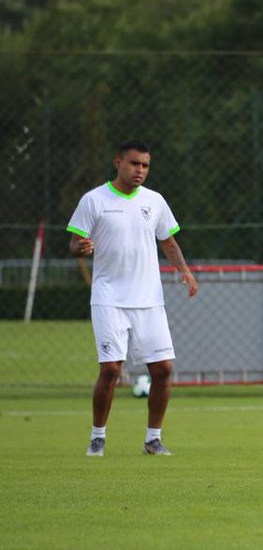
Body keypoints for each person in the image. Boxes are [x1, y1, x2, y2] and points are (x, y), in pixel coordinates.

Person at [66, 141, 198, 457]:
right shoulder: (94, 200)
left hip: (149, 301)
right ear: (118, 162)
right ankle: (98, 436)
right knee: (111, 370)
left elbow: (168, 242)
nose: (139, 170)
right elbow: (74, 243)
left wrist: (185, 271)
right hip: (109, 298)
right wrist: (80, 248)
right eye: (134, 164)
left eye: (145, 165)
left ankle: (153, 439)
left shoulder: (155, 201)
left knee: (164, 368)